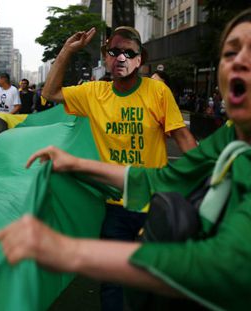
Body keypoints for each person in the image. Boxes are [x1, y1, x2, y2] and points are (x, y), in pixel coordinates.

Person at [0, 6, 251, 310]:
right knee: (121, 291)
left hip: (158, 209)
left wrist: (67, 251)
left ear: (140, 59)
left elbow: (227, 262)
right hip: (120, 206)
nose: (239, 61)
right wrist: (76, 163)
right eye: (230, 53)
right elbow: (168, 177)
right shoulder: (233, 135)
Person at [39, 26, 196, 310]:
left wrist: (214, 178)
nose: (120, 58)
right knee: (113, 283)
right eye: (114, 51)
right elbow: (50, 92)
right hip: (115, 206)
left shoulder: (157, 91)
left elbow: (183, 139)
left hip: (155, 204)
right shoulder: (93, 93)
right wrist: (67, 50)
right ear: (105, 57)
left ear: (140, 59)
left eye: (129, 53)